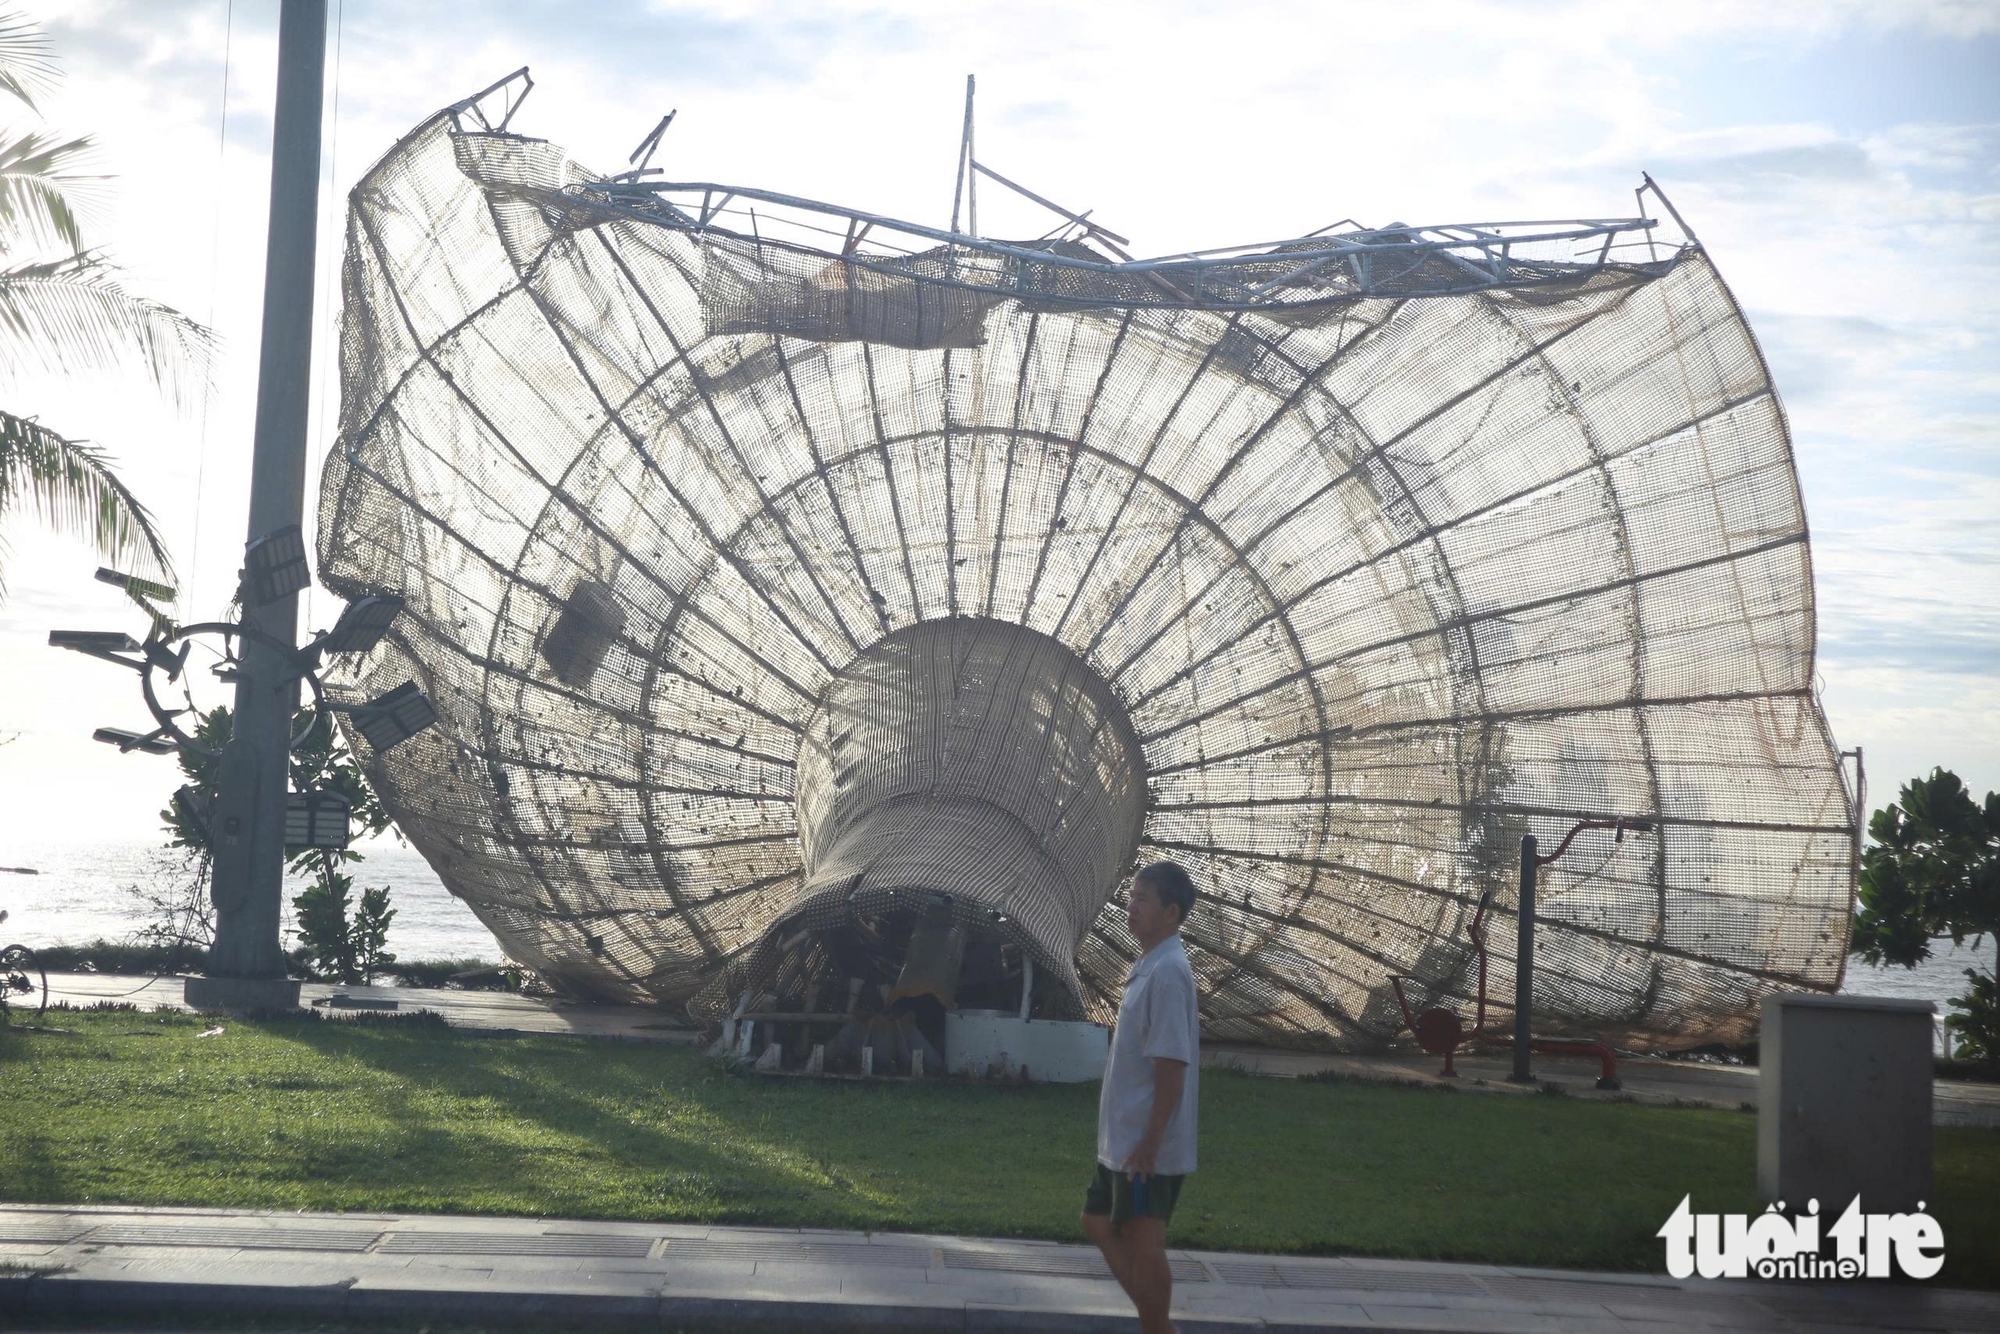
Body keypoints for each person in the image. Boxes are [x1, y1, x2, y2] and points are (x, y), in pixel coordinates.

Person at [1082, 860, 1199, 1334]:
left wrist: (1150, 1143)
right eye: (1131, 896)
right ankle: (1160, 1325)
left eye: (1142, 898)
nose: (1131, 906)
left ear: (1171, 912)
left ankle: (1157, 1328)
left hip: (1144, 1144)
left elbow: (1171, 1067)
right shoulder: (1150, 965)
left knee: (1143, 1239)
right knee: (1096, 1220)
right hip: (1125, 1138)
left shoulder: (1168, 972)